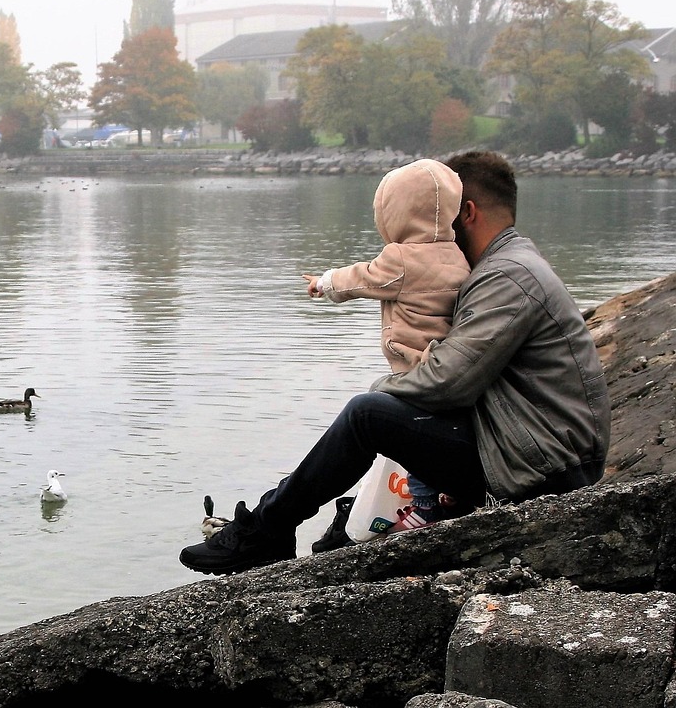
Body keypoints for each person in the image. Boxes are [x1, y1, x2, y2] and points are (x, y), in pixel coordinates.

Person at [180, 150, 611, 576]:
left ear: (467, 212)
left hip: (548, 468)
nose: (436, 235)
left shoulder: (508, 275)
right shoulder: (502, 268)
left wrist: (381, 392)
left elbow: (448, 382)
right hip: (536, 452)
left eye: (442, 221)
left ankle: (267, 529)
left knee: (368, 414)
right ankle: (315, 524)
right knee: (387, 414)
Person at [302, 158, 472, 534]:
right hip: (446, 364)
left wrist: (324, 282)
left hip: (414, 367)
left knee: (405, 438)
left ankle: (424, 509)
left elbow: (363, 278)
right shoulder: (458, 255)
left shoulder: (401, 258)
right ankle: (447, 493)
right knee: (428, 435)